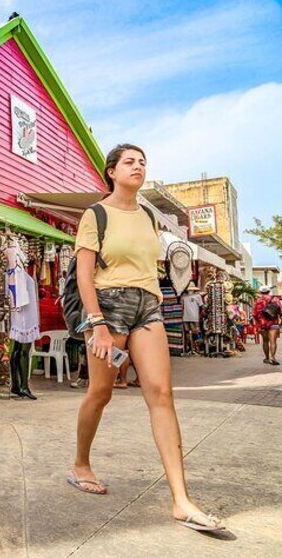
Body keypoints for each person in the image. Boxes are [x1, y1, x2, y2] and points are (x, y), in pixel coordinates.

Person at [68, 143, 225, 533]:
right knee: (100, 393)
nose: (138, 167)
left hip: (148, 305)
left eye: (142, 162)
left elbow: (148, 266)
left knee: (161, 394)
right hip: (109, 305)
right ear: (112, 172)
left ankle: (181, 500)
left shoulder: (149, 216)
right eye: (129, 162)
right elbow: (84, 274)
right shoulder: (96, 214)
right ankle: (81, 463)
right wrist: (97, 323)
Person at [252, 285, 281, 365]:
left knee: (265, 341)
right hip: (273, 323)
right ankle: (273, 357)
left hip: (262, 324)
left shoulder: (258, 300)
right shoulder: (275, 299)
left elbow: (254, 314)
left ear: (261, 292)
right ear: (269, 291)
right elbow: (280, 310)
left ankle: (267, 358)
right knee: (273, 341)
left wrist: (258, 321)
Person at [181, 282, 204, 356]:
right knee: (195, 332)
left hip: (186, 317)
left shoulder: (184, 297)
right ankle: (193, 348)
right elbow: (201, 306)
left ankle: (191, 348)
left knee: (189, 333)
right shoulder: (197, 296)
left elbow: (182, 307)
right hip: (193, 317)